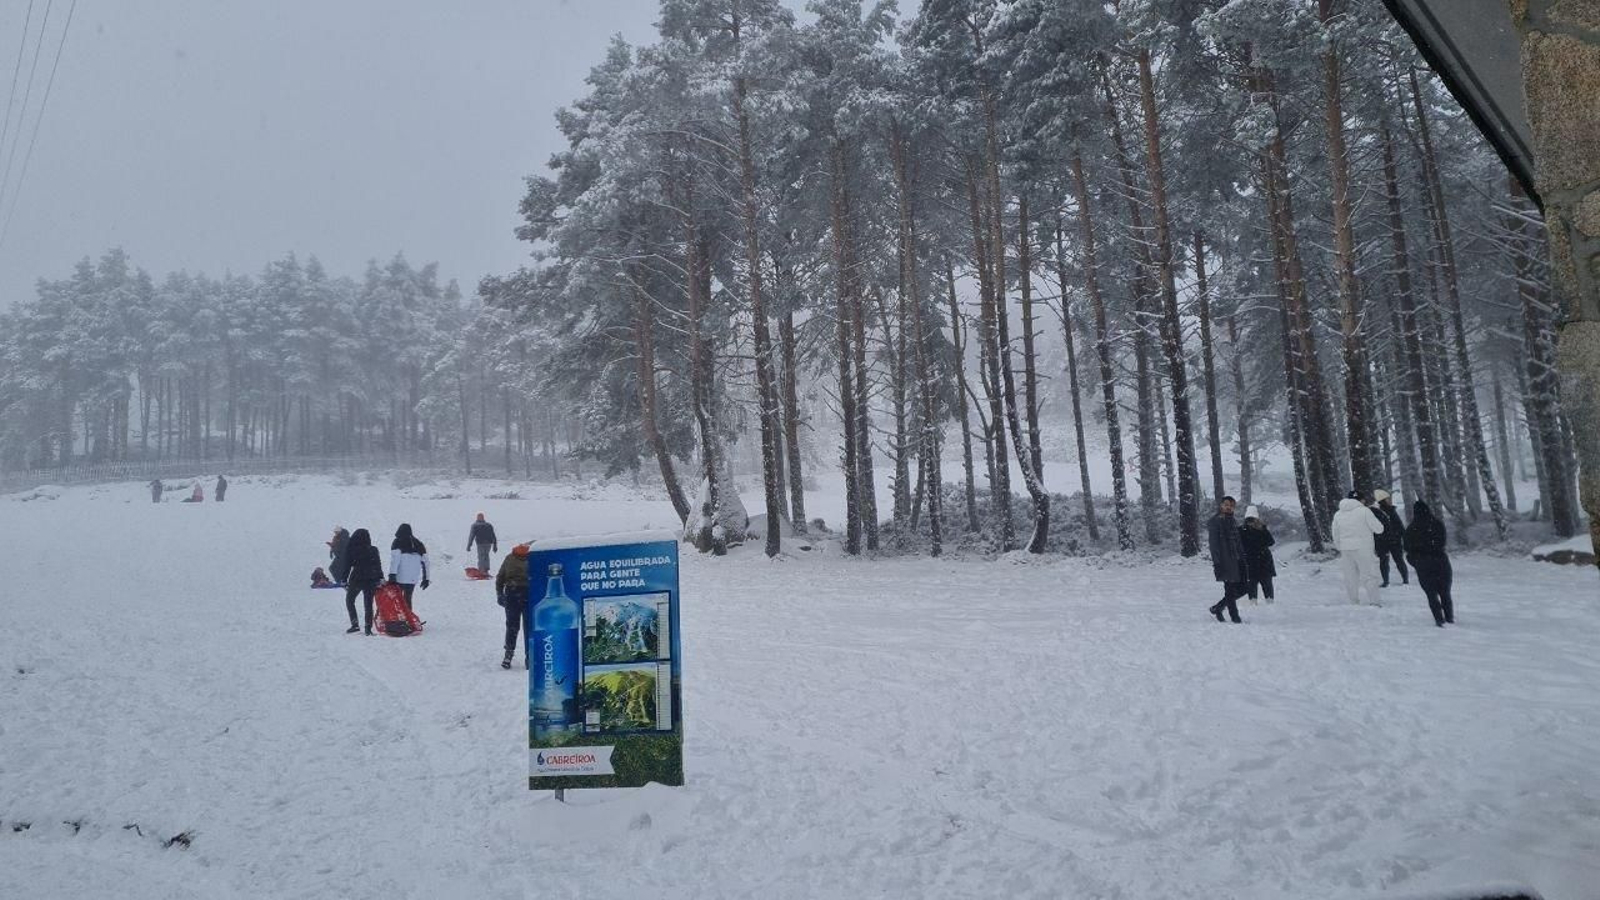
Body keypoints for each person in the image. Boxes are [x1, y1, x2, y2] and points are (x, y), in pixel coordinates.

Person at [1404, 501, 1455, 627]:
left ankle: (1439, 619)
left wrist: (1416, 562)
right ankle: (1449, 618)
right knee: (1445, 592)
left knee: (1431, 594)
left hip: (1423, 564)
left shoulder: (1411, 529)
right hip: (1441, 561)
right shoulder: (1437, 524)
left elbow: (1407, 549)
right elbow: (1442, 542)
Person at [1331, 491, 1385, 606]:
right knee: (1369, 575)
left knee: (1350, 576)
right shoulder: (1365, 511)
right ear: (1361, 500)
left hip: (1346, 549)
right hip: (1363, 547)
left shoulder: (1338, 514)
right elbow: (1379, 529)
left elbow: (1335, 534)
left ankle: (1354, 601)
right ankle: (1374, 601)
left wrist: (1340, 546)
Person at [1206, 496, 1249, 623]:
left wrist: (1243, 557)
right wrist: (1217, 563)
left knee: (1245, 588)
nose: (1228, 507)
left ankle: (1218, 607)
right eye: (1226, 504)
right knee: (1230, 589)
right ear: (1221, 506)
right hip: (1225, 561)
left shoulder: (1233, 520)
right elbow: (1214, 545)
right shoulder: (1215, 522)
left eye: (1231, 505)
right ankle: (1235, 617)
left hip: (1238, 560)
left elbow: (1238, 541)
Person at [495, 543, 532, 669]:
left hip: (512, 594)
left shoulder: (509, 558)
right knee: (529, 627)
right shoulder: (532, 559)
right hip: (529, 595)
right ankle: (530, 658)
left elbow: (500, 578)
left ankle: (508, 655)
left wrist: (500, 594)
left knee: (512, 626)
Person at [342, 528, 384, 634]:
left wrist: (344, 579)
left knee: (350, 601)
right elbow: (378, 565)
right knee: (368, 604)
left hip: (356, 579)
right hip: (371, 579)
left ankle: (355, 624)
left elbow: (347, 566)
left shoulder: (352, 549)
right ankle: (368, 628)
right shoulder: (373, 550)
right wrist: (380, 578)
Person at [388, 523, 430, 613]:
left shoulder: (397, 542)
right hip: (413, 578)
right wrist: (426, 578)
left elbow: (395, 560)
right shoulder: (418, 543)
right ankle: (409, 619)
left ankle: (399, 619)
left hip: (400, 577)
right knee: (408, 598)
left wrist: (392, 575)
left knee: (397, 599)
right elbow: (426, 562)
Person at [1240, 505, 1277, 603]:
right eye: (1249, 520)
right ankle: (1253, 603)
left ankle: (1270, 603)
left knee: (1267, 584)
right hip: (1250, 562)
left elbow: (1271, 542)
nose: (1251, 523)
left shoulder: (1262, 529)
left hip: (1264, 561)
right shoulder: (1241, 530)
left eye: (1253, 520)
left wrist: (1262, 530)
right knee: (1252, 584)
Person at [1372, 489, 1408, 587]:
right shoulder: (1381, 511)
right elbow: (1399, 526)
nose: (1389, 500)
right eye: (1387, 498)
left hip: (1384, 540)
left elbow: (1399, 526)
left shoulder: (1385, 511)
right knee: (1394, 560)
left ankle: (1391, 581)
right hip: (1389, 540)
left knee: (1389, 561)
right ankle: (1402, 580)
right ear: (1383, 500)